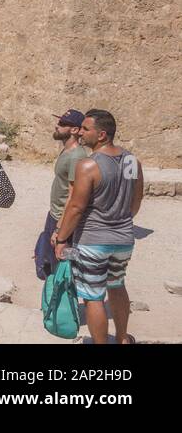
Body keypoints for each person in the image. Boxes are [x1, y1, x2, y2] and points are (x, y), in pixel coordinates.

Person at [54, 110, 144, 344]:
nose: (81, 133)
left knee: (93, 297)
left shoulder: (88, 165)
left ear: (101, 134)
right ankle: (123, 338)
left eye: (85, 129)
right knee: (117, 285)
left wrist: (62, 239)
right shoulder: (132, 161)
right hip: (123, 239)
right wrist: (119, 218)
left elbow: (75, 207)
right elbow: (135, 203)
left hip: (93, 240)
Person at [36, 110, 88, 279]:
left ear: (74, 130)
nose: (57, 126)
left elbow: (73, 195)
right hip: (55, 213)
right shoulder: (67, 151)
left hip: (63, 218)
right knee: (51, 265)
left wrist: (59, 228)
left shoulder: (76, 156)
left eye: (63, 124)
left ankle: (62, 302)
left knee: (63, 267)